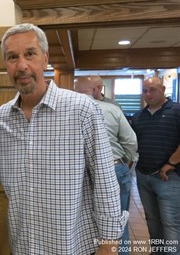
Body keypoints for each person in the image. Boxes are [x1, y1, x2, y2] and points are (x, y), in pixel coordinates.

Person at [0, 23, 128, 255]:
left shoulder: (81, 109)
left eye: (30, 54)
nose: (22, 65)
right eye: (12, 57)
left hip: (73, 246)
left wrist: (109, 243)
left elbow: (105, 181)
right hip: (24, 245)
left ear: (45, 59)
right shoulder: (1, 119)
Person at [75, 76, 138, 255]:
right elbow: (131, 140)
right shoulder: (112, 110)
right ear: (95, 89)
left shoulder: (68, 112)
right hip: (115, 166)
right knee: (118, 220)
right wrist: (125, 161)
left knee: (84, 218)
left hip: (81, 171)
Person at [131, 76, 180, 254]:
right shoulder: (139, 116)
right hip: (144, 176)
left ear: (163, 89)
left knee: (171, 222)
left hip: (169, 177)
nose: (148, 94)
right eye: (144, 90)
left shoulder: (176, 110)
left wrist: (171, 163)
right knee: (152, 220)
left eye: (152, 89)